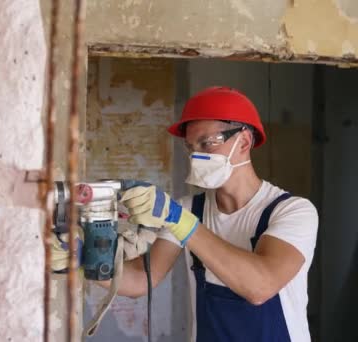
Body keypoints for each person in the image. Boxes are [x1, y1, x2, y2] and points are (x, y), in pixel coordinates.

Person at [52, 86, 318, 342]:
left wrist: (181, 221)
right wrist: (86, 261)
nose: (196, 156)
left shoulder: (292, 211)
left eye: (207, 144)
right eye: (191, 148)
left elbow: (260, 287)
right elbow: (143, 280)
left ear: (244, 141)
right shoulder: (191, 209)